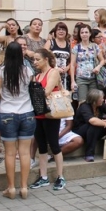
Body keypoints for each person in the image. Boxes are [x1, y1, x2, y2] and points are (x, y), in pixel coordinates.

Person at [0, 42, 36, 199]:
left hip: (7, 113)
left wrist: (3, 96)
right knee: (25, 153)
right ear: (20, 55)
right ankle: (24, 187)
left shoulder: (1, 71)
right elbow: (32, 88)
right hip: (27, 113)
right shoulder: (27, 70)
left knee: (10, 154)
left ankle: (11, 188)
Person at [30, 49, 67, 190]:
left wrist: (35, 91)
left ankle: (60, 176)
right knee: (42, 145)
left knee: (54, 144)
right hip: (38, 113)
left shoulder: (54, 72)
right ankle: (43, 177)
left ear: (46, 59)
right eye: (34, 59)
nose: (35, 62)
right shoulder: (37, 76)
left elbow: (46, 91)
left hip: (51, 113)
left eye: (37, 59)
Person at [73, 89, 106, 162]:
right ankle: (89, 154)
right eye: (101, 98)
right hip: (80, 130)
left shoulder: (100, 105)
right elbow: (92, 120)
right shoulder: (84, 106)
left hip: (94, 131)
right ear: (95, 100)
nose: (103, 100)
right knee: (94, 125)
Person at [70, 24, 105, 103]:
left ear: (90, 34)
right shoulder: (76, 47)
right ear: (79, 34)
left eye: (86, 32)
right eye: (82, 32)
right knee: (82, 101)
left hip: (93, 78)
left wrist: (98, 67)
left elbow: (102, 60)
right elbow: (72, 65)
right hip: (81, 78)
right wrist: (73, 81)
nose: (84, 34)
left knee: (94, 102)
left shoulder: (95, 46)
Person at [44, 22, 71, 89]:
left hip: (64, 75)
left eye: (63, 30)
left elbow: (72, 60)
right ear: (55, 32)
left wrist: (67, 67)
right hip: (51, 73)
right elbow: (43, 57)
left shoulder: (68, 44)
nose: (61, 31)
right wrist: (55, 68)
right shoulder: (50, 42)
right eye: (59, 29)